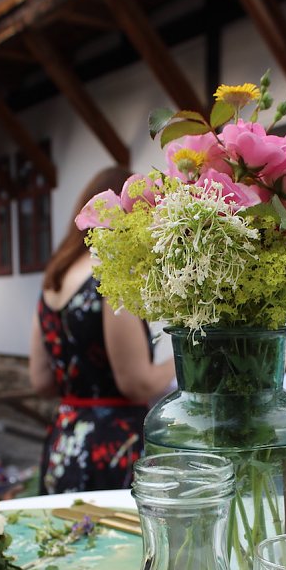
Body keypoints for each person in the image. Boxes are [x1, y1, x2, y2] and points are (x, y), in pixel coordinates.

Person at [29, 166, 175, 493]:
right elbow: (136, 383)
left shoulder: (54, 277)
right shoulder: (110, 273)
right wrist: (182, 360)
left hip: (64, 442)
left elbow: (40, 381)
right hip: (112, 448)